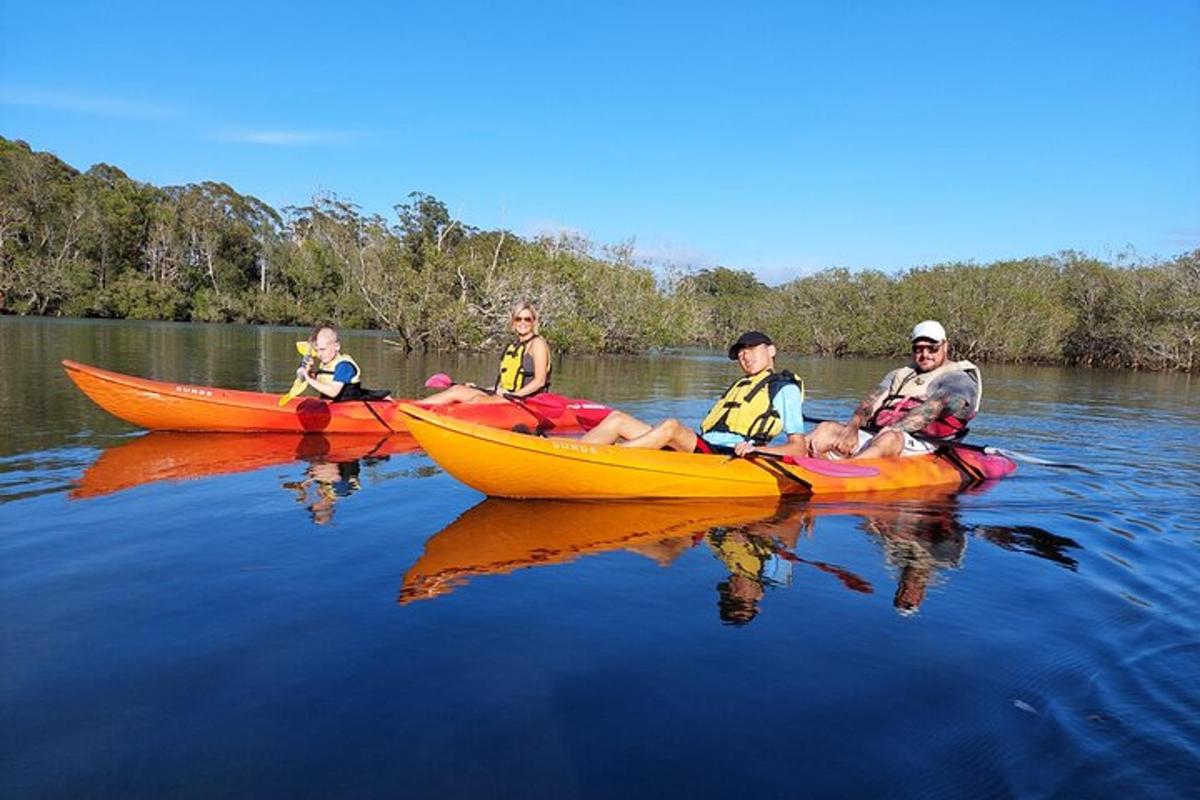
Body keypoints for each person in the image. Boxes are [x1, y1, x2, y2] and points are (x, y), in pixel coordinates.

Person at [580, 331, 807, 459]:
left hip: (725, 454)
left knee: (671, 426)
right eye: (741, 353)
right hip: (704, 444)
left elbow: (799, 448)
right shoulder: (743, 384)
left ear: (771, 350)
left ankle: (603, 459)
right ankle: (571, 454)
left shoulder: (784, 388)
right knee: (618, 419)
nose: (745, 357)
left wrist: (756, 449)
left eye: (752, 350)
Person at [807, 320, 981, 460]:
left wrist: (895, 429)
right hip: (880, 433)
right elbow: (871, 403)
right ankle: (787, 460)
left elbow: (938, 406)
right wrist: (852, 427)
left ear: (945, 346)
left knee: (889, 438)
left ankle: (845, 471)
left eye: (932, 348)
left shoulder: (958, 379)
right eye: (918, 349)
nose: (925, 354)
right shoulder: (901, 374)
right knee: (826, 428)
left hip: (922, 441)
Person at [422, 301, 552, 405]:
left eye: (527, 319)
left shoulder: (537, 344)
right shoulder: (514, 346)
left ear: (534, 321)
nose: (523, 323)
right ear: (513, 322)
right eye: (518, 319)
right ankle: (414, 409)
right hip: (507, 396)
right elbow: (506, 384)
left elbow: (540, 381)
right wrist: (481, 388)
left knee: (478, 400)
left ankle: (444, 418)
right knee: (457, 390)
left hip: (525, 400)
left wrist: (515, 395)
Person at [295, 324, 389, 402]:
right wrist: (308, 372)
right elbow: (324, 378)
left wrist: (309, 380)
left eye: (323, 349)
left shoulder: (344, 366)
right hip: (331, 403)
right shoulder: (325, 364)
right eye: (316, 350)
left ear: (337, 346)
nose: (319, 354)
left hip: (350, 407)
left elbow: (333, 392)